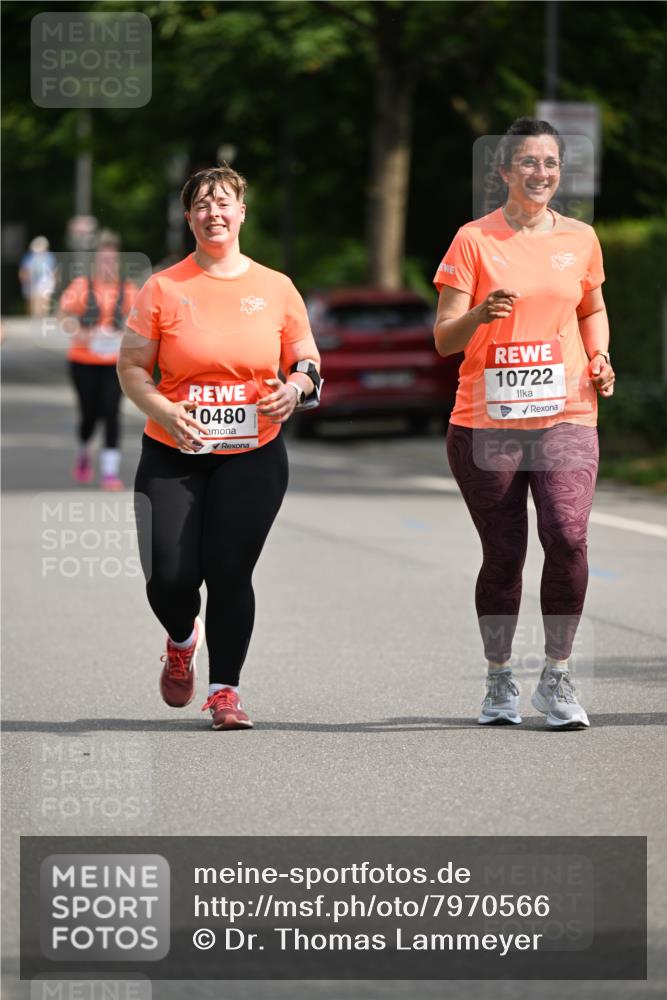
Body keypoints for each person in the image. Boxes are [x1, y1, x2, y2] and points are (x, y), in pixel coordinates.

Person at [117, 165, 322, 731]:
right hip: (172, 448)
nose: (214, 212)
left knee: (229, 570)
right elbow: (132, 366)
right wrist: (164, 410)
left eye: (224, 202)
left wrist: (298, 386)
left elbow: (306, 358)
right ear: (189, 218)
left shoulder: (275, 287)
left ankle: (224, 691)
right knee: (170, 577)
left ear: (242, 212)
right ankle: (182, 640)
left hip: (253, 451)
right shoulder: (163, 287)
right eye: (202, 205)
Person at [433, 117, 615, 730]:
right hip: (491, 422)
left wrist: (600, 356)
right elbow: (443, 338)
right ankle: (498, 677)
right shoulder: (473, 241)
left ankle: (558, 675)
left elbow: (591, 306)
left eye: (551, 164)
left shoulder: (582, 239)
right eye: (529, 163)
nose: (542, 173)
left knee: (567, 536)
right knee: (504, 555)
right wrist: (481, 313)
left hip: (567, 412)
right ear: (505, 172)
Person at [59, 230, 138, 489]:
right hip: (83, 360)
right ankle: (84, 449)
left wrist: (125, 332)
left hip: (114, 363)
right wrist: (81, 332)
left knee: (111, 411)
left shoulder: (128, 289)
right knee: (89, 414)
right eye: (103, 260)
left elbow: (140, 322)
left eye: (112, 261)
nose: (107, 265)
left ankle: (109, 472)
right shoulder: (82, 286)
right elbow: (63, 316)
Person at [19, 236, 58, 317]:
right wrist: (24, 278)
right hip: (32, 281)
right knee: (33, 299)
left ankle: (42, 316)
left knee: (44, 299)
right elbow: (23, 270)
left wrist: (55, 279)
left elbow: (54, 269)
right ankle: (35, 316)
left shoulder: (49, 257)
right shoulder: (29, 257)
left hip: (45, 281)